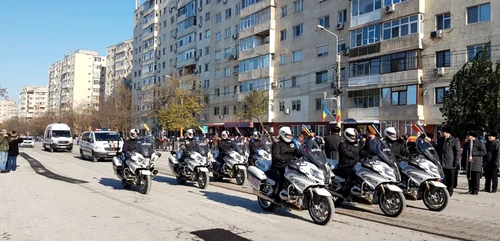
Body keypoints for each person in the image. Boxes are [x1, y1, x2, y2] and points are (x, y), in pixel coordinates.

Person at [271, 126, 303, 200]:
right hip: (279, 166)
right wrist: (285, 159)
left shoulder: (292, 143)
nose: (290, 137)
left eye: (291, 135)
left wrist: (304, 154)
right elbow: (276, 155)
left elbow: (296, 151)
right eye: (288, 135)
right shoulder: (277, 144)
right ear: (283, 134)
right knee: (281, 178)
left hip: (290, 164)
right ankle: (276, 195)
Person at [338, 128, 371, 196]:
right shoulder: (343, 144)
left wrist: (369, 155)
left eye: (354, 136)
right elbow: (345, 152)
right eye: (351, 136)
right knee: (350, 175)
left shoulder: (356, 144)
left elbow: (361, 151)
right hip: (345, 165)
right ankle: (345, 193)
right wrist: (354, 157)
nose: (353, 137)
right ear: (347, 135)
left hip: (355, 165)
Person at [436, 126, 461, 196]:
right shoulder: (440, 140)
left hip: (451, 164)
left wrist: (456, 162)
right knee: (442, 179)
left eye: (443, 132)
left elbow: (457, 152)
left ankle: (449, 192)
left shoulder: (454, 140)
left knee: (450, 180)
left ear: (447, 133)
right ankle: (442, 191)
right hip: (441, 163)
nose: (441, 133)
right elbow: (437, 149)